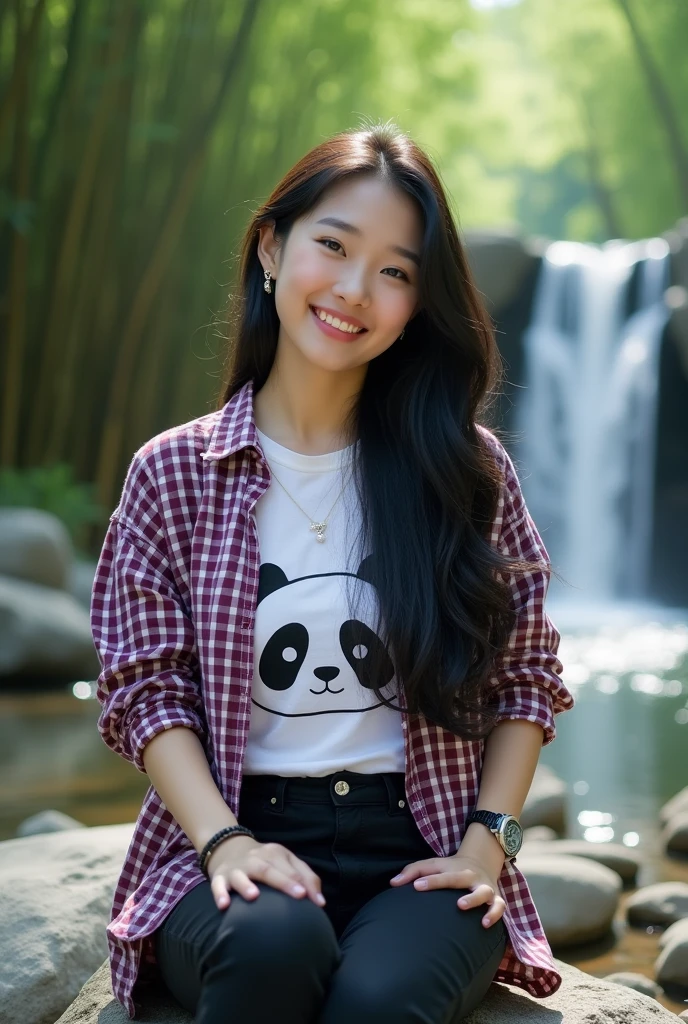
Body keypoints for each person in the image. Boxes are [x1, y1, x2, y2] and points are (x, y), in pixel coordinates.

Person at [91, 122, 575, 1023]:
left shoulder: (463, 473)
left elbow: (526, 680)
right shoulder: (173, 473)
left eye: (396, 271)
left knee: (381, 1001)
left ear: (419, 304)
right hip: (237, 832)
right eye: (334, 247)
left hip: (420, 844)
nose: (355, 290)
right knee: (273, 945)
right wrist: (224, 842)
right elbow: (145, 693)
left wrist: (489, 843)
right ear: (272, 248)